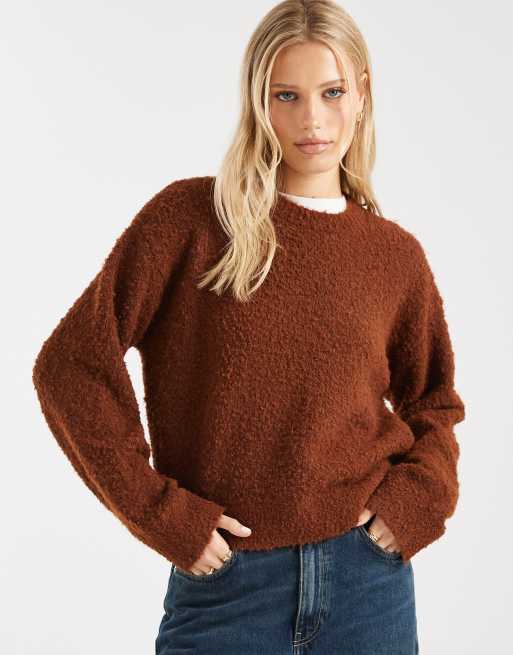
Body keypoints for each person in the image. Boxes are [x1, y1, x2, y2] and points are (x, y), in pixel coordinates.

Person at [32, 1, 465, 653]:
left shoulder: (393, 255)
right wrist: (160, 513)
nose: (312, 118)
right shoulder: (191, 220)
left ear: (361, 93)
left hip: (367, 583)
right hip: (228, 586)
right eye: (286, 95)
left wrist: (415, 502)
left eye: (331, 92)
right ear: (257, 102)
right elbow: (71, 366)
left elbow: (433, 402)